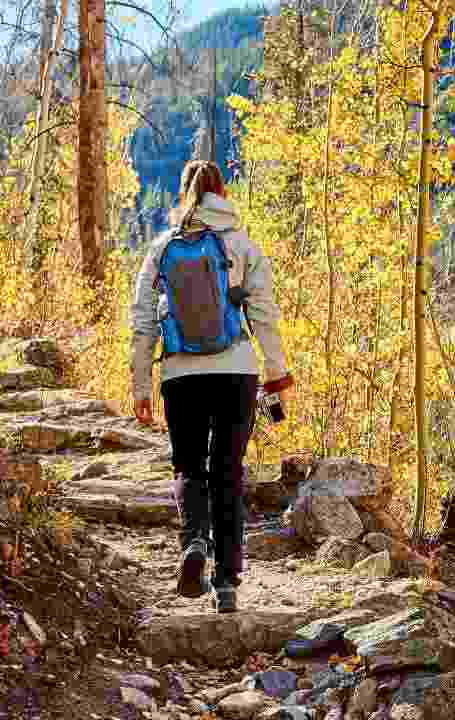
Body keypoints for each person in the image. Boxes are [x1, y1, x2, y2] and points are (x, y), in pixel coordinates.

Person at [130, 160, 291, 613]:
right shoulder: (242, 245)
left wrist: (141, 384)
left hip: (180, 375)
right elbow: (263, 315)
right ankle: (226, 583)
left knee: (188, 466)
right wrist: (277, 374)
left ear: (185, 194)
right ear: (224, 192)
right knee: (228, 471)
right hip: (236, 372)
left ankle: (194, 540)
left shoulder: (162, 249)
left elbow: (143, 323)